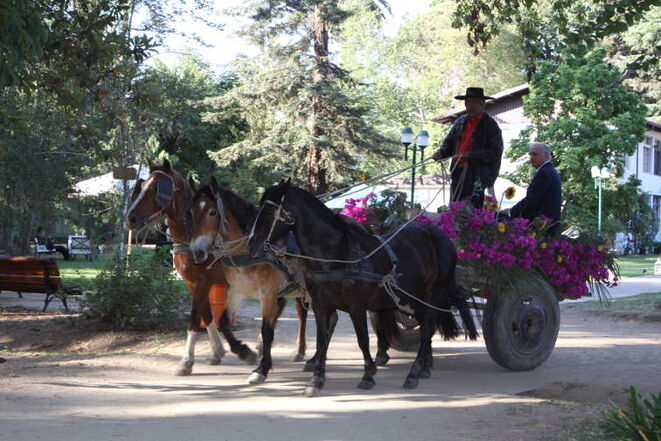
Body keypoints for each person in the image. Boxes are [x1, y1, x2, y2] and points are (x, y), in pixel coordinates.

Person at [432, 87, 504, 208]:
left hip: (477, 176)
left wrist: (471, 156)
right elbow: (448, 144)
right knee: (455, 206)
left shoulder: (490, 125)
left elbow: (496, 152)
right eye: (468, 102)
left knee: (472, 211)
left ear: (482, 105)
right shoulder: (460, 122)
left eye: (474, 102)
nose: (470, 106)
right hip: (458, 172)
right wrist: (441, 153)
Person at [507, 142, 562, 225]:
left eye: (535, 154)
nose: (531, 157)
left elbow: (532, 200)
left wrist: (510, 212)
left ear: (546, 155)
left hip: (543, 224)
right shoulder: (550, 170)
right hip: (548, 222)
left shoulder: (544, 173)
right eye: (530, 154)